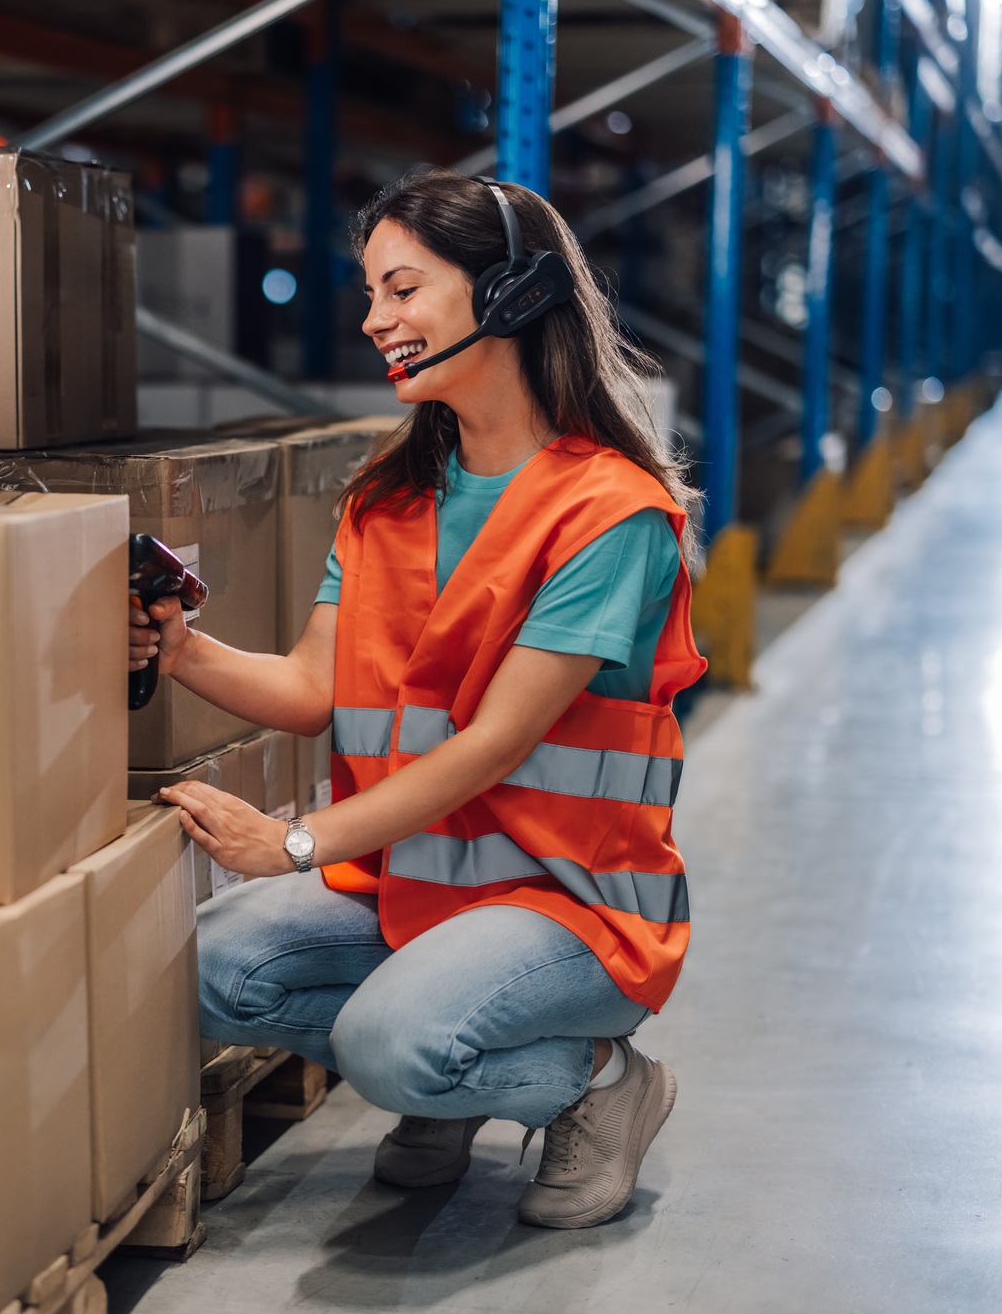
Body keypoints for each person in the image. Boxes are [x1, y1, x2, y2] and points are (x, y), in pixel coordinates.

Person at [131, 169, 704, 1230]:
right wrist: (183, 648)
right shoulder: (389, 493)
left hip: (574, 903)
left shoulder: (608, 514)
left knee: (386, 1045)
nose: (372, 320)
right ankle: (451, 1052)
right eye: (368, 294)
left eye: (401, 289)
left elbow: (490, 744)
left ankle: (598, 1082)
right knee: (206, 967)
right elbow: (312, 685)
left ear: (508, 296)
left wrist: (292, 841)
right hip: (417, 887)